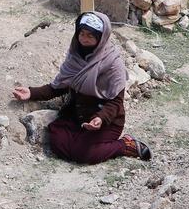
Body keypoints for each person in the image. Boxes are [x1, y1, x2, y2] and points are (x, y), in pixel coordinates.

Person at [12, 11, 152, 164]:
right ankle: (85, 143)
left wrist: (100, 118)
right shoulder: (75, 55)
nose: (84, 39)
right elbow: (59, 87)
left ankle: (124, 145)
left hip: (106, 119)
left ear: (101, 38)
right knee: (58, 143)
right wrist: (32, 93)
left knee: (84, 154)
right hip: (78, 114)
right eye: (82, 34)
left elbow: (116, 103)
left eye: (90, 36)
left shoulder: (112, 64)